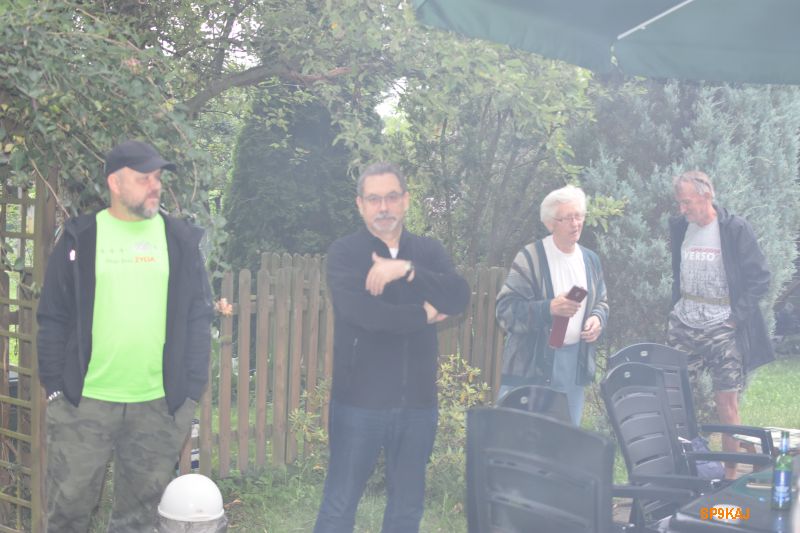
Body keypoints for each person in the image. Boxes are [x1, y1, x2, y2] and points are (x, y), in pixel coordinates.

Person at [36, 140, 213, 532]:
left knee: (138, 520)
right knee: (68, 515)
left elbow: (199, 315)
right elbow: (53, 316)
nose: (155, 186)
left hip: (157, 405)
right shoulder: (81, 238)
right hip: (84, 403)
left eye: (158, 177)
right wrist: (55, 388)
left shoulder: (179, 240)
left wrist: (190, 390)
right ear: (115, 183)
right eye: (143, 178)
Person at [313, 162, 470, 533]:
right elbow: (364, 315)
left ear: (406, 200)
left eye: (391, 197)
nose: (383, 207)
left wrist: (406, 270)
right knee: (339, 505)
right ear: (360, 204)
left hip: (418, 404)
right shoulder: (345, 253)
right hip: (359, 403)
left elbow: (458, 296)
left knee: (407, 508)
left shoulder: (428, 252)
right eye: (374, 199)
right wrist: (424, 314)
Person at [667, 170, 773, 478]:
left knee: (726, 403)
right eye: (679, 203)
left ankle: (729, 477)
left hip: (722, 327)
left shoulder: (734, 229)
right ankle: (685, 470)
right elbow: (678, 271)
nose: (682, 209)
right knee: (674, 399)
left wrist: (735, 319)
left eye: (687, 202)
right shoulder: (679, 226)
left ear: (706, 196)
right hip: (684, 324)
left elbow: (760, 279)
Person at [495, 185, 608, 426]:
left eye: (579, 216)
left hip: (574, 365)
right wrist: (548, 309)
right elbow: (505, 312)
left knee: (565, 439)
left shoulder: (590, 260)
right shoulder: (531, 258)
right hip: (533, 366)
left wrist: (597, 319)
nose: (576, 224)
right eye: (567, 218)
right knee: (523, 436)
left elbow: (602, 301)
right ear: (550, 224)